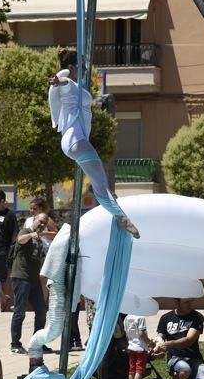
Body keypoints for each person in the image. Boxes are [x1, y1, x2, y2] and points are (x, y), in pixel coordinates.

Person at [48, 49, 139, 238]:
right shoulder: (69, 83)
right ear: (72, 67)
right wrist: (58, 81)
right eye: (81, 66)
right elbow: (64, 83)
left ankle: (117, 212)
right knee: (101, 183)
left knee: (100, 182)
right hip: (75, 140)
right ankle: (121, 217)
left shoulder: (78, 86)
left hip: (73, 142)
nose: (85, 69)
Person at [8, 211, 48, 355]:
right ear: (34, 220)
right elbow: (20, 240)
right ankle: (15, 343)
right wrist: (31, 235)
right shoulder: (26, 232)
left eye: (44, 223)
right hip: (21, 277)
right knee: (20, 311)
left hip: (34, 280)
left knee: (42, 311)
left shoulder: (40, 240)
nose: (42, 225)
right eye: (40, 221)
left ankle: (37, 342)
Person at [153, 298, 204, 379]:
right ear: (177, 303)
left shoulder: (197, 317)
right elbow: (160, 336)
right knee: (184, 370)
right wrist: (158, 346)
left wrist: (168, 344)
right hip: (175, 357)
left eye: (191, 301)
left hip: (195, 358)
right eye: (186, 302)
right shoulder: (166, 317)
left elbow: (189, 340)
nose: (190, 304)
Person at [123, 313, 151, 379]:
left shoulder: (127, 317)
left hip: (131, 346)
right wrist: (149, 342)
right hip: (140, 347)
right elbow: (141, 334)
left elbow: (126, 333)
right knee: (139, 370)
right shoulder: (140, 317)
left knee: (132, 370)